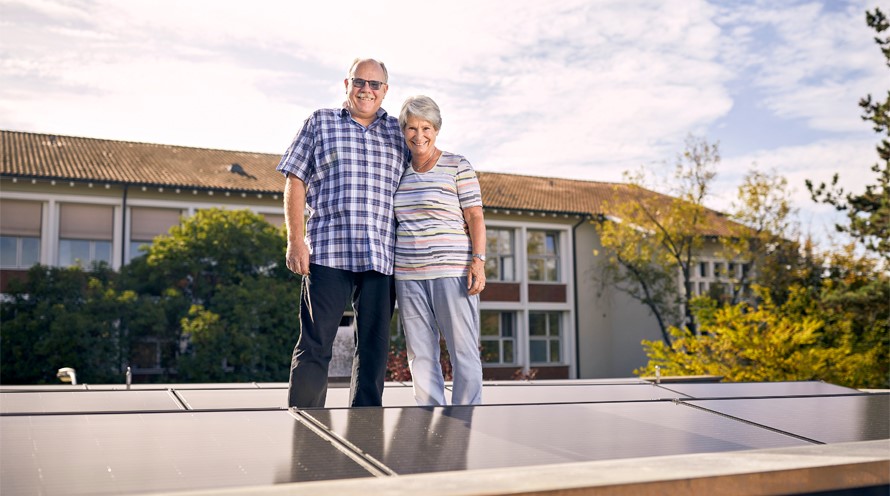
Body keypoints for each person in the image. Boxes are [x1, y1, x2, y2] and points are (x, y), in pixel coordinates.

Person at [277, 58, 409, 408]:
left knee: (373, 350)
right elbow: (295, 179)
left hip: (381, 255)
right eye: (360, 82)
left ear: (385, 90)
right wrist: (295, 240)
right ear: (346, 84)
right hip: (327, 252)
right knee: (315, 345)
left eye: (375, 84)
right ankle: (305, 428)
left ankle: (365, 433)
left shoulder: (399, 131)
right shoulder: (320, 122)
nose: (367, 89)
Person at [394, 95, 486, 406]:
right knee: (420, 354)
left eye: (426, 127)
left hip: (452, 271)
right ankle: (430, 417)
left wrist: (479, 261)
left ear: (437, 129)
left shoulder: (457, 165)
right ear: (403, 130)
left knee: (463, 350)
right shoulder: (398, 171)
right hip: (407, 274)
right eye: (411, 128)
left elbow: (474, 216)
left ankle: (466, 417)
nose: (419, 135)